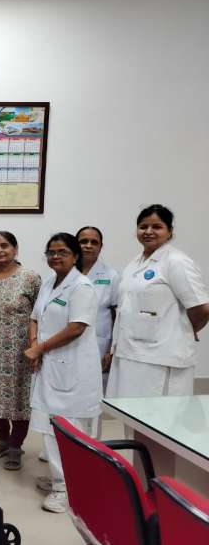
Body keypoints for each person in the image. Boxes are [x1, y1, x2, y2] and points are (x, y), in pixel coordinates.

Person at [24, 233, 102, 513]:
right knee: (52, 428)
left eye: (62, 252)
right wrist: (35, 346)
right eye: (51, 252)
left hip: (72, 369)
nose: (55, 257)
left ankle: (67, 490)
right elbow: (34, 317)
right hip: (50, 364)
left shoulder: (81, 287)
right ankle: (61, 480)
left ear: (75, 255)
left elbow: (76, 327)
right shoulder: (49, 282)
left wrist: (40, 348)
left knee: (68, 430)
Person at [107, 205, 209, 398]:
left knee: (155, 413)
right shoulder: (134, 263)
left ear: (170, 231)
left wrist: (187, 328)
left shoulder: (176, 261)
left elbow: (201, 308)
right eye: (143, 226)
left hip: (161, 358)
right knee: (129, 411)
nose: (148, 231)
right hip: (130, 353)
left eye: (157, 226)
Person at [0, 231, 41, 471]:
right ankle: (2, 440)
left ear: (15, 248)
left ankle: (16, 445)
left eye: (4, 245)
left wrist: (36, 346)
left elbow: (39, 314)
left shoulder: (30, 278)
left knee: (19, 397)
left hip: (19, 350)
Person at [76, 226, 119, 383]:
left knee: (95, 386)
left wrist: (111, 350)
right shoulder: (63, 274)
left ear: (101, 246)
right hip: (67, 343)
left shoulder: (111, 276)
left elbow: (117, 315)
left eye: (94, 242)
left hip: (99, 343)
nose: (88, 246)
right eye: (83, 241)